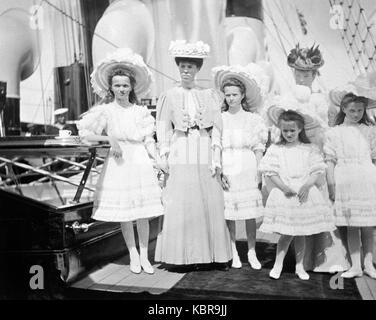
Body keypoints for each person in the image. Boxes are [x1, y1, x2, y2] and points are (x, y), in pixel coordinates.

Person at [77, 48, 163, 275]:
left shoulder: (140, 111)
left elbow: (148, 140)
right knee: (126, 214)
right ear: (111, 87)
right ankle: (133, 254)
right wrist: (110, 138)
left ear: (131, 87)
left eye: (125, 85)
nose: (122, 89)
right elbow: (85, 134)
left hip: (139, 161)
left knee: (142, 213)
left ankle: (145, 256)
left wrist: (158, 160)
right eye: (117, 85)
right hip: (119, 163)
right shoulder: (105, 110)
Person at [154, 40, 232, 269]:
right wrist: (164, 156)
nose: (186, 71)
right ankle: (183, 257)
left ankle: (209, 256)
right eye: (182, 67)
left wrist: (216, 156)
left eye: (190, 67)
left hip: (203, 147)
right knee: (183, 200)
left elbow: (217, 127)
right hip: (181, 147)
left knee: (207, 198)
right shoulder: (169, 95)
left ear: (198, 69)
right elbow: (162, 128)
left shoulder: (208, 95)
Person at [259, 109, 335, 280]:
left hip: (303, 193)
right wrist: (283, 187)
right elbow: (271, 172)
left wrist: (307, 185)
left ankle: (299, 266)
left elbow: (316, 170)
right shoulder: (277, 149)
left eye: (292, 130)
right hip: (286, 193)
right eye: (285, 130)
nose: (288, 134)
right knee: (287, 233)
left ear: (300, 129)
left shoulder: (309, 149)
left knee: (301, 232)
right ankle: (278, 265)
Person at [212, 64, 268, 269]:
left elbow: (258, 146)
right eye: (227, 95)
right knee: (231, 212)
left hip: (247, 164)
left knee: (249, 212)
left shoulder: (253, 119)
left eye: (235, 94)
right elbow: (215, 144)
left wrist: (260, 170)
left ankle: (252, 252)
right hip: (228, 163)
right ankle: (233, 250)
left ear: (243, 95)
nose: (231, 98)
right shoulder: (221, 118)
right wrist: (219, 169)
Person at [324, 88, 376, 279]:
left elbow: (374, 157)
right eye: (352, 110)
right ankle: (355, 265)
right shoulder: (335, 132)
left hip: (367, 177)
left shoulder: (370, 131)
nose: (356, 114)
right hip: (345, 178)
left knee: (368, 225)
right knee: (352, 224)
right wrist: (331, 184)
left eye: (360, 110)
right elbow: (330, 160)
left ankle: (369, 264)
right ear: (344, 109)